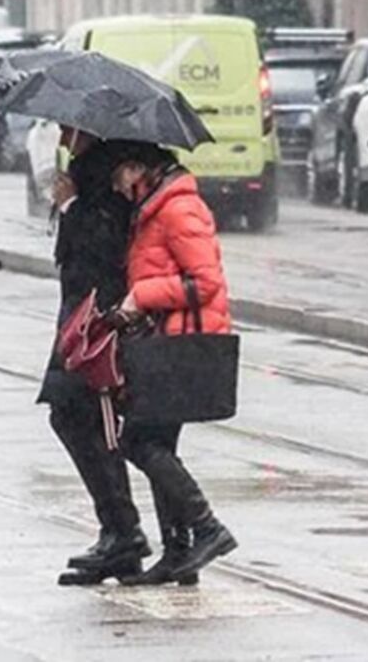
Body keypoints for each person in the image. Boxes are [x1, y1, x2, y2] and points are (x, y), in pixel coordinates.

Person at [111, 145, 236, 585]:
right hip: (166, 338)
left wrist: (141, 297)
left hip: (184, 342)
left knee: (140, 441)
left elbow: (205, 282)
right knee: (156, 442)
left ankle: (206, 528)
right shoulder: (152, 207)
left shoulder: (178, 207)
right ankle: (179, 551)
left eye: (120, 172)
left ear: (140, 167)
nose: (117, 185)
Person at [37, 126, 148, 586]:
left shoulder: (103, 172)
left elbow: (106, 247)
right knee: (71, 416)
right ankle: (118, 531)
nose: (62, 133)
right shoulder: (90, 167)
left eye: (68, 127)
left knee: (86, 418)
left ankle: (123, 532)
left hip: (97, 319)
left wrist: (71, 204)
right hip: (79, 317)